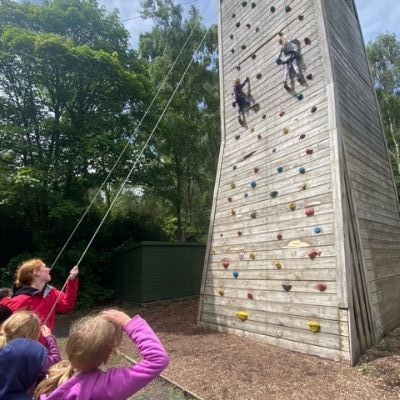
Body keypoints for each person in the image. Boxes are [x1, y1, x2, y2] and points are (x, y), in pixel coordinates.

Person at [34, 309, 170, 400]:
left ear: (71, 346)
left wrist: (50, 338)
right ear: (108, 355)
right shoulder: (105, 387)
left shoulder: (55, 374)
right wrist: (127, 322)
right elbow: (158, 359)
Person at [1, 258, 79, 333]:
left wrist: (72, 280)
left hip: (47, 341)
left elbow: (67, 306)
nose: (49, 269)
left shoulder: (52, 292)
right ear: (36, 272)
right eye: (45, 267)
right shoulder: (19, 299)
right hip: (25, 342)